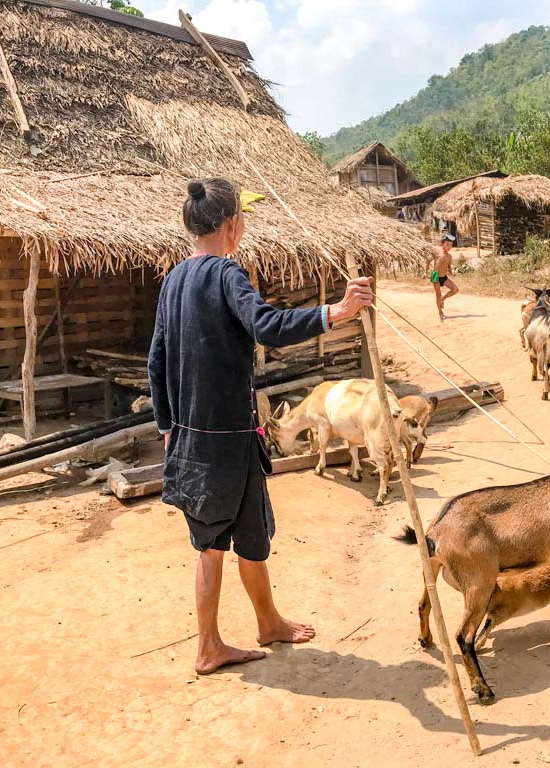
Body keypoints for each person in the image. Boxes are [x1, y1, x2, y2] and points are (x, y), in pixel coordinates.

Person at [147, 178, 374, 675]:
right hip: (223, 443)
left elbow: (156, 361)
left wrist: (167, 427)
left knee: (250, 535)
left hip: (209, 440)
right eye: (242, 219)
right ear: (232, 225)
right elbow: (266, 326)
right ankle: (209, 647)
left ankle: (268, 622)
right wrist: (336, 312)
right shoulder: (226, 273)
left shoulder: (173, 280)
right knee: (212, 547)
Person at [429, 232, 459, 320]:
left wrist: (452, 271)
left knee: (455, 289)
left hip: (443, 276)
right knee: (438, 295)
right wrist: (425, 271)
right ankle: (440, 312)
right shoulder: (437, 254)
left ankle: (443, 299)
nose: (449, 247)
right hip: (435, 276)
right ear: (442, 244)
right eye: (447, 244)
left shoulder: (449, 256)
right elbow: (428, 260)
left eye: (451, 245)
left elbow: (449, 267)